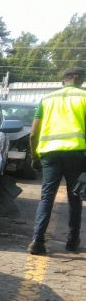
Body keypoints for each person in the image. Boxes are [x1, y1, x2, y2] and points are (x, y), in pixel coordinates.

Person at [28, 66, 86, 254]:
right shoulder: (84, 97)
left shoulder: (47, 99)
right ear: (81, 81)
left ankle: (37, 241)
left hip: (50, 154)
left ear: (63, 81)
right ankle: (72, 241)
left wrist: (34, 155)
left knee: (47, 197)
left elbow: (33, 133)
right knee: (74, 197)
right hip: (77, 155)